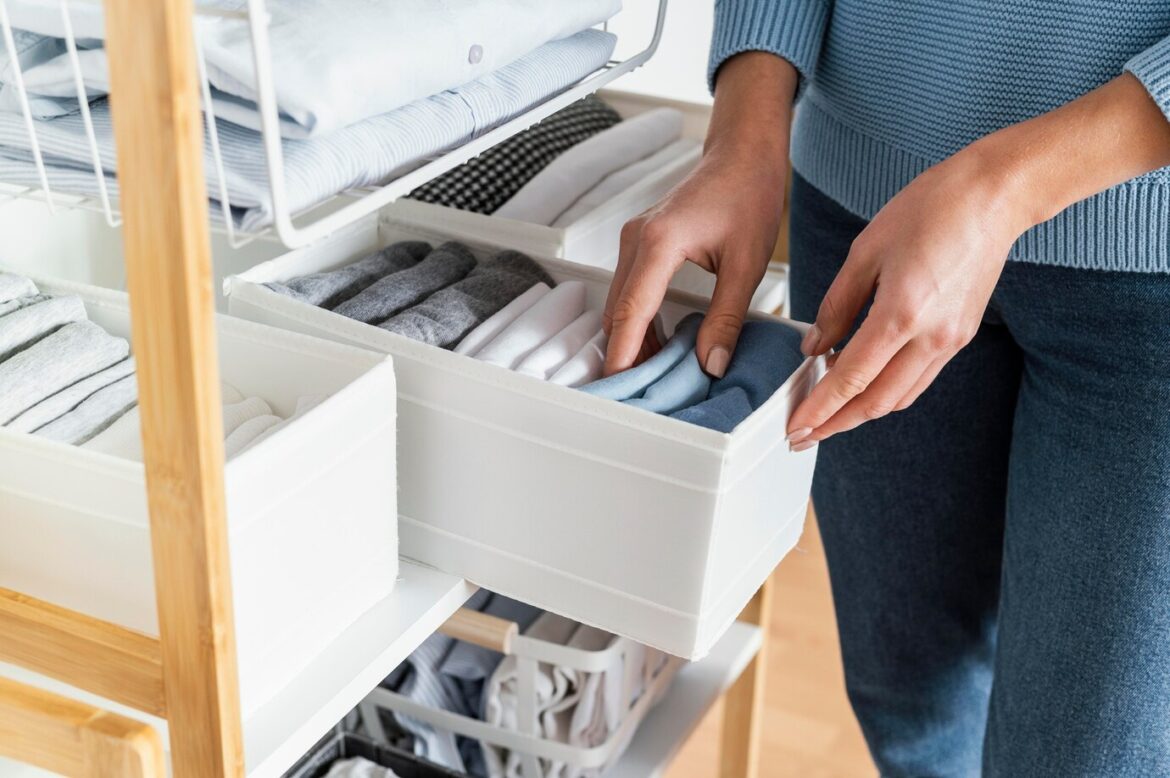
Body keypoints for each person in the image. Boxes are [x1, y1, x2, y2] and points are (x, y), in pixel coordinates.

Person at [602, 2, 1170, 776]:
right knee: (906, 703)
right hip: (864, 204)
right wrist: (745, 134)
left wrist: (1003, 189)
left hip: (1149, 268)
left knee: (1088, 758)